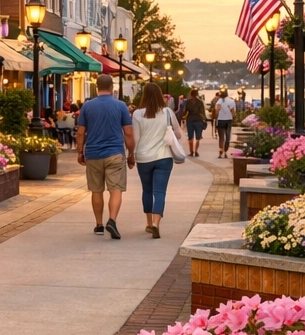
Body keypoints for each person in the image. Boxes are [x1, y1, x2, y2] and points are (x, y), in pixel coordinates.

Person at [74, 73, 134, 240]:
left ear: (96, 87)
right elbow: (128, 133)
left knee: (96, 190)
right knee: (116, 189)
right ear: (111, 87)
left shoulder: (87, 106)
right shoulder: (121, 105)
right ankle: (112, 220)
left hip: (93, 153)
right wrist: (131, 154)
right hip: (115, 153)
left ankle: (99, 224)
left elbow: (80, 132)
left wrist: (80, 151)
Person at [131, 82, 178, 239]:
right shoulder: (167, 113)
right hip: (164, 157)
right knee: (160, 192)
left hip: (144, 158)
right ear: (159, 95)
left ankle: (149, 223)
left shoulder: (137, 114)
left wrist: (131, 155)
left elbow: (135, 138)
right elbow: (178, 133)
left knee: (147, 190)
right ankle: (157, 224)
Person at [182, 88, 207, 158]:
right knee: (198, 137)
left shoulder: (188, 102)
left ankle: (191, 151)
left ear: (191, 94)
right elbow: (202, 112)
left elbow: (185, 111)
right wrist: (204, 119)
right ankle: (196, 151)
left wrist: (183, 117)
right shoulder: (200, 102)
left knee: (190, 137)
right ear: (197, 94)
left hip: (190, 119)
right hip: (198, 119)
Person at [213, 88, 236, 158]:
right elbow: (233, 112)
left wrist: (215, 118)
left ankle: (220, 151)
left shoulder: (218, 102)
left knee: (221, 137)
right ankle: (225, 151)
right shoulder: (231, 101)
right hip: (229, 120)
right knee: (228, 136)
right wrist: (233, 117)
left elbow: (217, 111)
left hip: (220, 120)